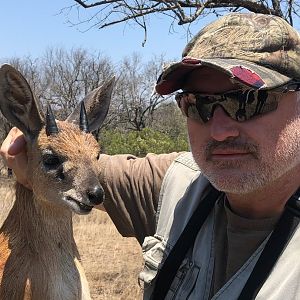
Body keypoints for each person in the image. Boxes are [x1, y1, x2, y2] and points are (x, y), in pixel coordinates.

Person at [1, 12, 300, 300]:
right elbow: (77, 169)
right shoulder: (179, 185)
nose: (220, 130)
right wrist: (34, 157)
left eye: (249, 100)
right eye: (198, 104)